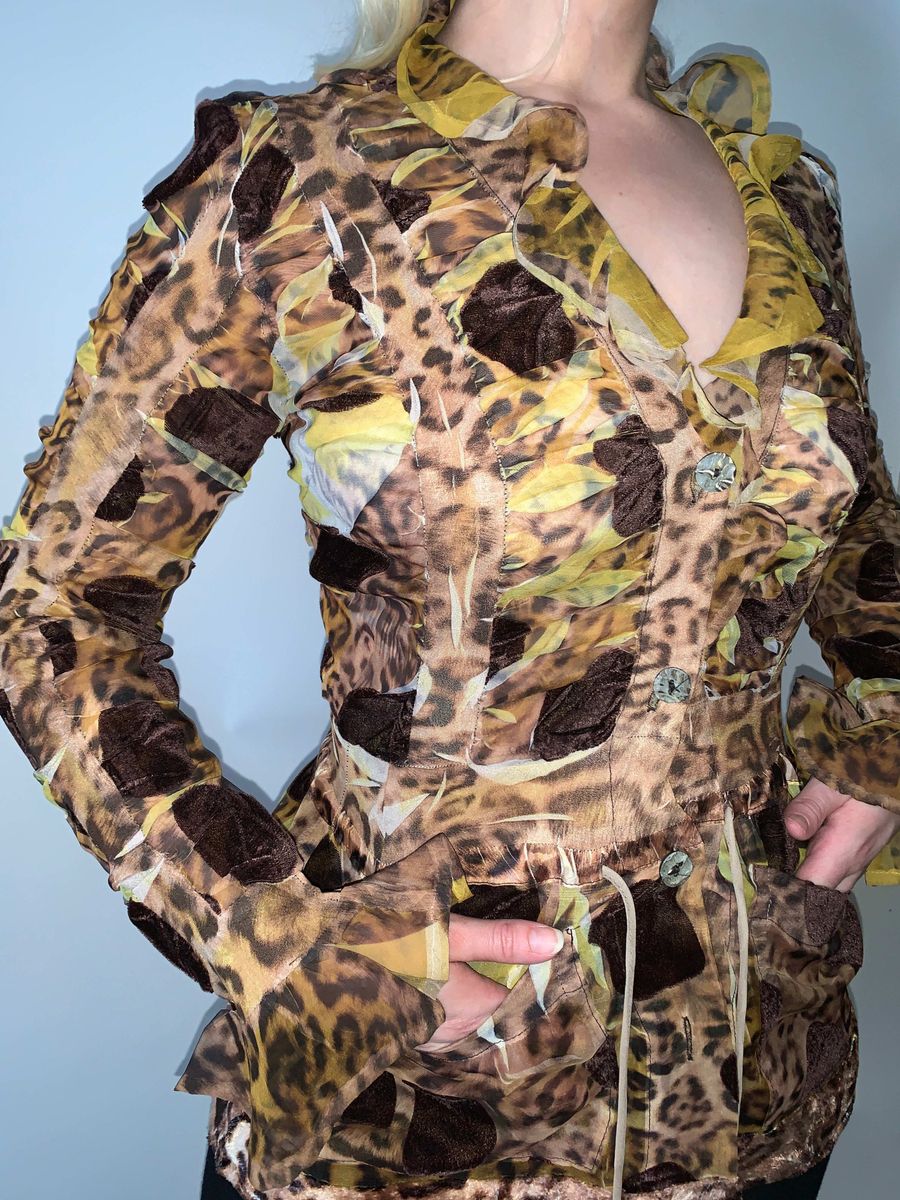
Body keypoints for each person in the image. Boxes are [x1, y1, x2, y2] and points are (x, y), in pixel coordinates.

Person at [1, 0, 897, 1198]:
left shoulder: (784, 202)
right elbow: (56, 602)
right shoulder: (303, 184)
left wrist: (883, 734)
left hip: (758, 1084)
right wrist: (271, 933)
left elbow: (860, 536)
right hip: (425, 1121)